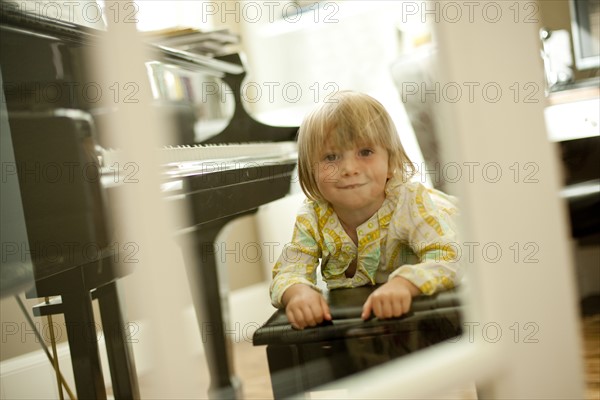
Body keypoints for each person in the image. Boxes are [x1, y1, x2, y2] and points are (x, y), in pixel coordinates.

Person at [270, 91, 462, 330]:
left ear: (391, 163)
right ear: (311, 169)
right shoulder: (313, 215)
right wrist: (298, 293)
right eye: (331, 157)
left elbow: (450, 256)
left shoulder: (408, 202)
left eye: (365, 152)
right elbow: (290, 269)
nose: (349, 168)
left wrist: (404, 283)